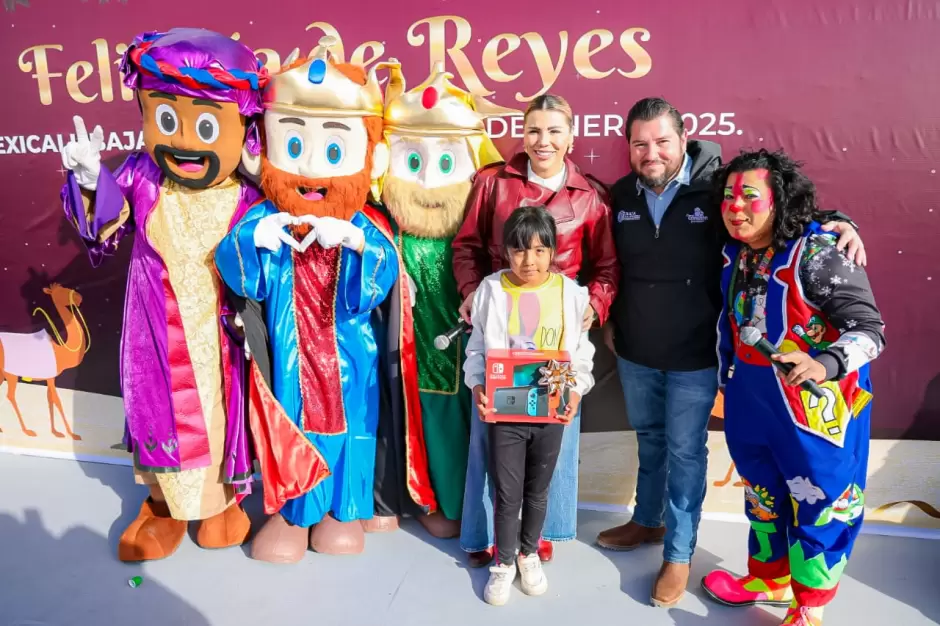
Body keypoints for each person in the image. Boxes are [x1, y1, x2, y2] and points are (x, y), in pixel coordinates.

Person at [597, 97, 867, 607]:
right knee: (650, 442)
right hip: (635, 349)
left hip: (696, 356)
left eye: (660, 141)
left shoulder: (717, 189)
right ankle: (647, 521)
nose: (650, 152)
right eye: (639, 143)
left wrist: (841, 220)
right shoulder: (620, 194)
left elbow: (783, 210)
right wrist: (612, 320)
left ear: (683, 139)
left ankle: (678, 555)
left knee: (685, 452)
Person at [59, 28, 269, 562]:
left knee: (224, 421)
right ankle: (161, 506)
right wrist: (90, 181)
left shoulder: (248, 193)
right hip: (155, 334)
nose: (184, 143)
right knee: (159, 419)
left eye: (204, 124)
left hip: (220, 339)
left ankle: (221, 504)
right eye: (167, 120)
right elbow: (103, 229)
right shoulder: (143, 176)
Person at [214, 37, 398, 562]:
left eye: (334, 151)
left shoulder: (365, 224)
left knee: (355, 426)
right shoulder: (262, 219)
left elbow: (382, 277)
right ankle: (293, 513)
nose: (313, 169)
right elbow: (240, 274)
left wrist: (360, 244)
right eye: (293, 147)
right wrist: (253, 241)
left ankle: (345, 508)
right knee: (288, 428)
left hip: (349, 357)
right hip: (290, 357)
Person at [701, 149, 884, 626]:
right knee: (762, 495)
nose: (735, 207)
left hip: (812, 410)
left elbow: (870, 330)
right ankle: (768, 576)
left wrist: (826, 363)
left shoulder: (820, 252)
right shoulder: (734, 252)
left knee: (821, 502)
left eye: (750, 197)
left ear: (780, 203)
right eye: (728, 197)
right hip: (752, 400)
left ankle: (809, 607)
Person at [452, 93, 618, 566]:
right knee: (494, 433)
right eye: (533, 131)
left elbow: (606, 266)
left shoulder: (592, 197)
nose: (543, 142)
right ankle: (488, 532)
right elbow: (466, 247)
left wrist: (596, 305)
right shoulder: (493, 184)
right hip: (502, 329)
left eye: (554, 131)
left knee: (554, 434)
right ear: (522, 134)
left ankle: (538, 535)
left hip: (558, 340)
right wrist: (469, 292)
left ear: (571, 135)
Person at [367, 61, 519, 538]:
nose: (429, 180)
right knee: (399, 409)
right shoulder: (382, 227)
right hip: (401, 346)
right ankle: (405, 496)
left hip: (461, 342)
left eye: (446, 162)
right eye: (413, 161)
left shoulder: (479, 229)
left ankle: (454, 501)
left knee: (456, 416)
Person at [464, 205, 596, 605]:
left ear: (553, 251)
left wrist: (574, 392)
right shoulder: (490, 289)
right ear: (506, 252)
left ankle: (528, 554)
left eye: (540, 250)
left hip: (550, 411)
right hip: (505, 410)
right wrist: (477, 387)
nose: (530, 260)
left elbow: (581, 355)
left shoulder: (572, 294)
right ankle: (502, 563)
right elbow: (476, 350)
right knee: (507, 492)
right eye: (520, 250)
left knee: (538, 491)